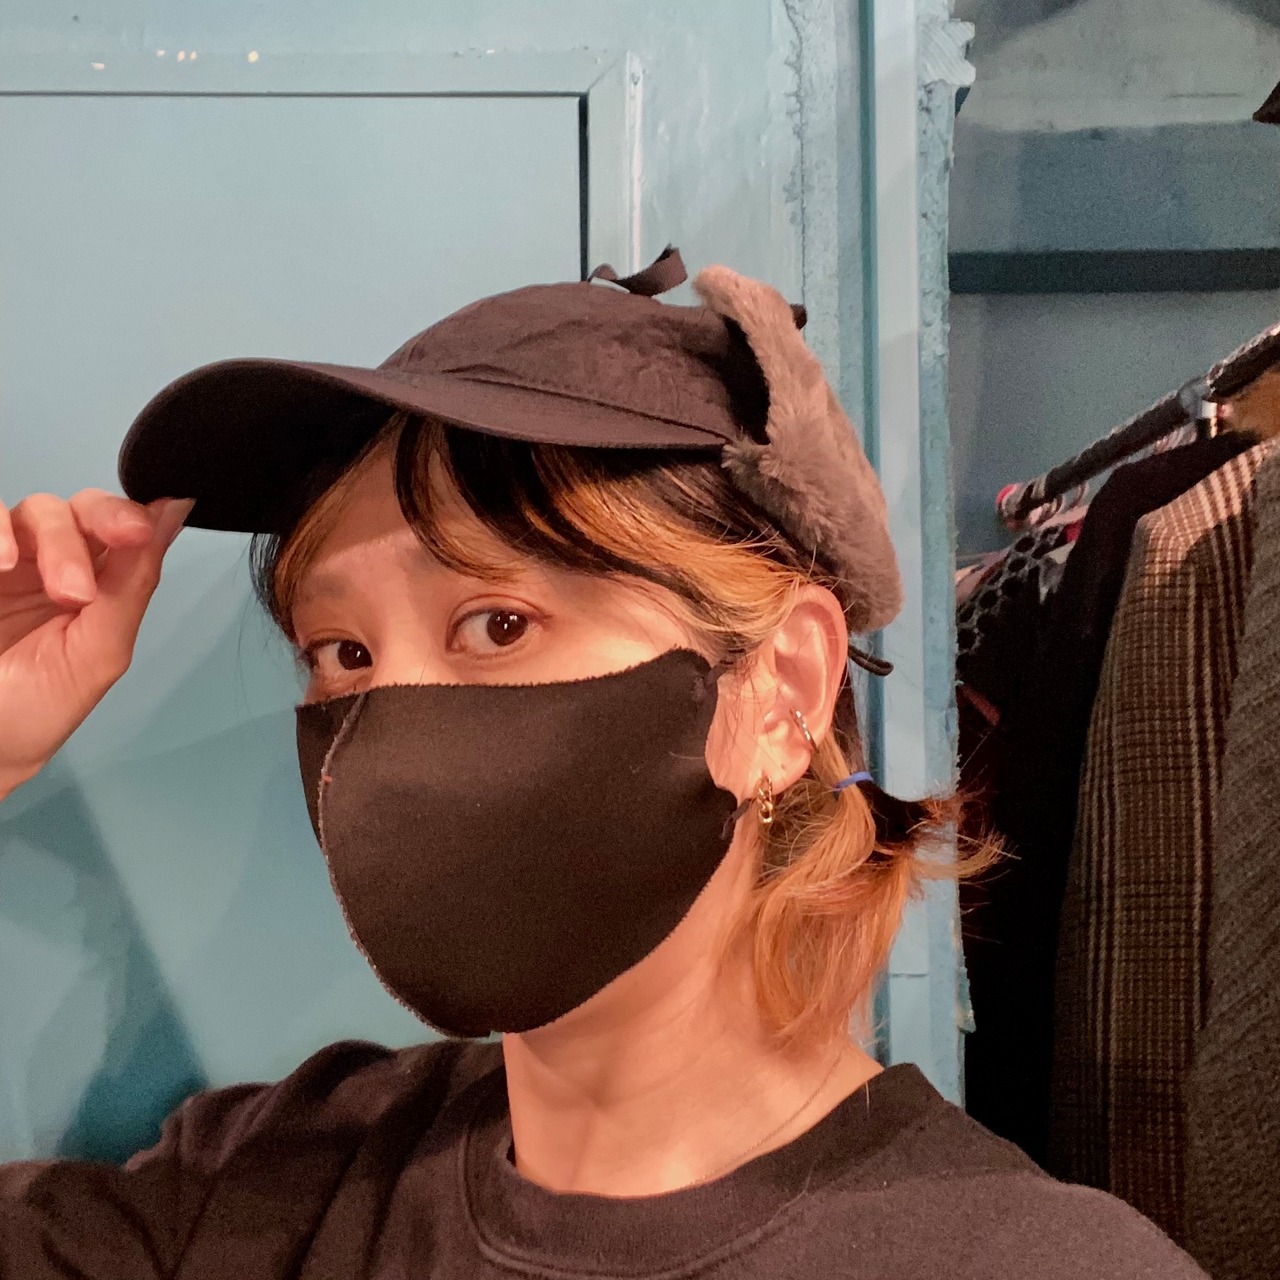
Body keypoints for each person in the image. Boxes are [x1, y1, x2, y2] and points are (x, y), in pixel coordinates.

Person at [0, 251, 1204, 1277]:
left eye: (497, 623)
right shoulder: (264, 1186)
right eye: (343, 652)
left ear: (778, 690)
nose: (390, 729)